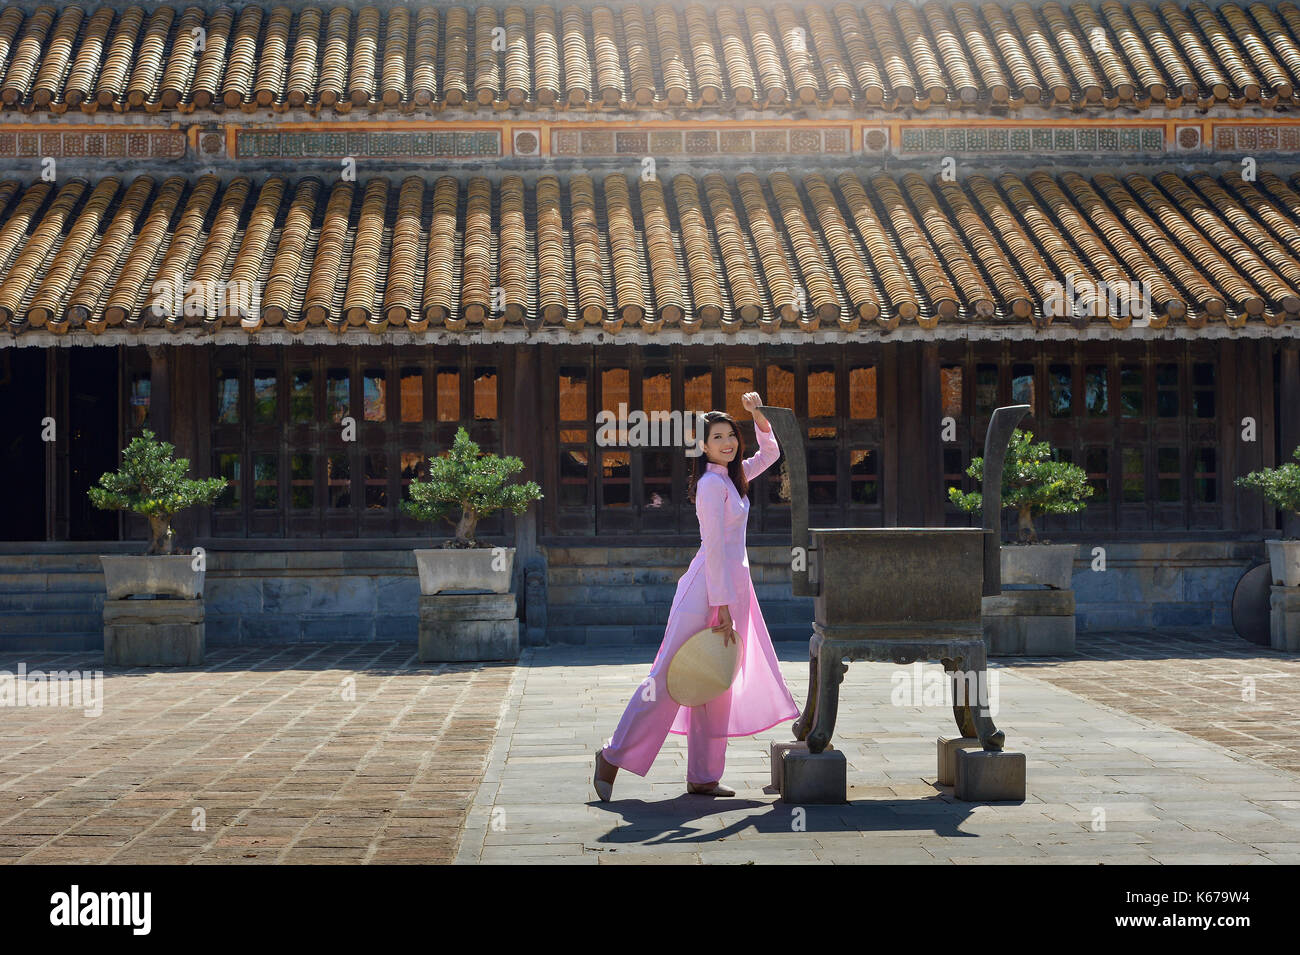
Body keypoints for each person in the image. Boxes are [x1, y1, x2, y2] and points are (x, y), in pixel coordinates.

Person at [593, 392, 800, 799]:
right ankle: (612, 755)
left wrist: (758, 416)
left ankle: (703, 775)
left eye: (731, 436)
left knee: (716, 678)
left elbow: (771, 453)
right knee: (668, 678)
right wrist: (720, 605)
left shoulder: (733, 477)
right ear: (702, 446)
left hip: (734, 590)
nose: (727, 443)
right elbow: (715, 547)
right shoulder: (710, 484)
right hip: (706, 588)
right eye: (718, 437)